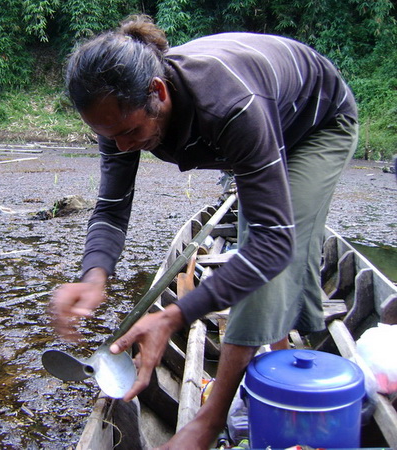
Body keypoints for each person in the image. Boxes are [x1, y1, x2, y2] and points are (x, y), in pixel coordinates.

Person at [50, 14, 358, 449]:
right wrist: (93, 275)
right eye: (108, 136)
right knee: (265, 247)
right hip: (262, 123)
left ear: (158, 93)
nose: (120, 145)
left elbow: (272, 245)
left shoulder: (229, 103)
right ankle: (277, 358)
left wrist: (173, 315)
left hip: (315, 124)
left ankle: (213, 418)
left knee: (272, 247)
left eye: (130, 132)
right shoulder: (116, 114)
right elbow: (112, 208)